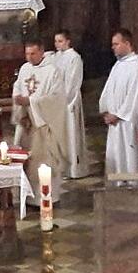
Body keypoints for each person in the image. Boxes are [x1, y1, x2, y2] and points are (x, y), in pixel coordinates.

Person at [12, 40, 68, 204]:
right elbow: (17, 88)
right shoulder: (24, 68)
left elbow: (56, 98)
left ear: (42, 51)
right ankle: (29, 197)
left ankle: (47, 197)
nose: (29, 57)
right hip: (27, 123)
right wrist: (20, 109)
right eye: (27, 53)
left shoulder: (52, 71)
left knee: (44, 161)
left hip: (43, 123)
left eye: (33, 53)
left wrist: (30, 102)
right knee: (27, 162)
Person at [99, 28, 138, 179]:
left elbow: (136, 95)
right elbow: (108, 90)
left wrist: (119, 115)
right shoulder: (119, 65)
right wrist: (106, 111)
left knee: (128, 157)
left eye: (116, 44)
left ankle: (131, 186)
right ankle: (118, 185)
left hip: (127, 123)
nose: (113, 47)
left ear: (127, 43)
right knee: (116, 156)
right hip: (114, 122)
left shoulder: (137, 66)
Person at [50, 29, 89, 179]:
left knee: (70, 135)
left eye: (60, 41)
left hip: (68, 101)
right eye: (55, 41)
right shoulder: (55, 57)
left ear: (68, 41)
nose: (57, 44)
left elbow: (73, 82)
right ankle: (62, 167)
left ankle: (73, 169)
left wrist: (63, 100)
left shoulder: (74, 57)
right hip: (57, 101)